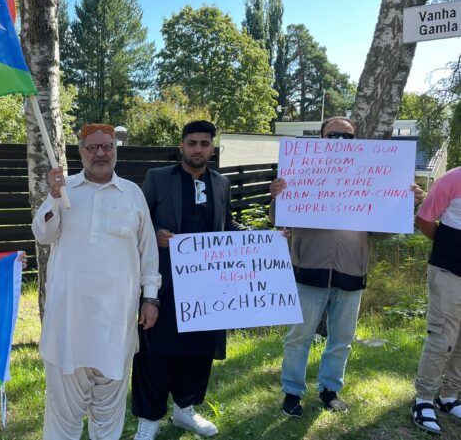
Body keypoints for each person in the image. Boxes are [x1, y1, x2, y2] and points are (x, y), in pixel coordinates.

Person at [270, 117, 425, 418]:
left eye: (347, 136)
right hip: (308, 270)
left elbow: (380, 232)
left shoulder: (370, 178)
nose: (340, 141)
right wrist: (277, 196)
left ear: (356, 140)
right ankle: (292, 392)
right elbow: (280, 219)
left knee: (341, 339)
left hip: (352, 272)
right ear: (321, 139)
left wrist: (407, 204)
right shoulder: (301, 171)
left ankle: (330, 390)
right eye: (333, 135)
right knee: (299, 337)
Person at [32, 123, 161, 440]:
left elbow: (148, 251)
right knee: (64, 415)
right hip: (69, 323)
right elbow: (42, 234)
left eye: (108, 147)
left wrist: (151, 298)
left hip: (116, 321)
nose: (101, 153)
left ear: (116, 150)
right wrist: (53, 195)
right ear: (81, 152)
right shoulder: (65, 191)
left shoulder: (132, 193)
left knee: (108, 413)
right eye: (93, 148)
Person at [131, 120, 247, 440]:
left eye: (204, 144)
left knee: (198, 352)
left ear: (212, 148)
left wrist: (255, 240)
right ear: (182, 145)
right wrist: (155, 234)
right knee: (155, 352)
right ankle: (149, 418)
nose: (198, 149)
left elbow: (229, 224)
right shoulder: (158, 178)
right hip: (164, 282)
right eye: (192, 143)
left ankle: (185, 410)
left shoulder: (221, 183)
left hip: (209, 286)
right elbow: (138, 220)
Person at [411, 165, 461, 435]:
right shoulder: (453, 179)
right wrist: (447, 247)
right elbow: (424, 219)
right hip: (449, 272)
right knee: (442, 338)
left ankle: (449, 396)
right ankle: (424, 400)